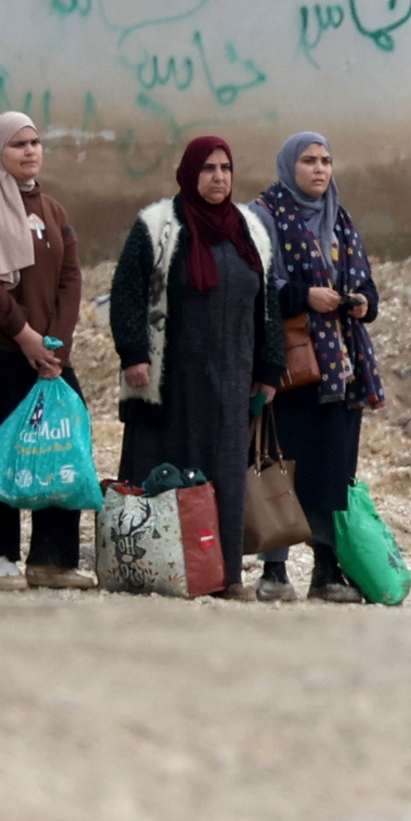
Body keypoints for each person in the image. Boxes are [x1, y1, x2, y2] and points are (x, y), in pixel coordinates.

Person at [109, 136, 284, 598]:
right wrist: (134, 354)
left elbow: (266, 304)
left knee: (223, 474)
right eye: (208, 168)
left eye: (225, 168)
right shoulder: (158, 226)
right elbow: (127, 292)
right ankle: (158, 569)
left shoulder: (250, 230)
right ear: (189, 173)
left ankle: (223, 576)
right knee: (166, 468)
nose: (219, 177)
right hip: (172, 378)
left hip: (231, 378)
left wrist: (269, 368)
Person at [0, 111, 95, 593]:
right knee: (1, 451)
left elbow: (71, 278)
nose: (30, 151)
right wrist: (26, 336)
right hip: (3, 351)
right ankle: (0, 557)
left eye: (35, 143)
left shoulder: (52, 208)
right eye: (18, 145)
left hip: (50, 355)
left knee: (61, 444)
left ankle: (53, 560)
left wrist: (56, 342)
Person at [248, 132, 385, 603]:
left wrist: (364, 302)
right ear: (290, 165)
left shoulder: (339, 218)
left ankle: (326, 572)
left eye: (326, 161)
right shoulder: (264, 215)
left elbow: (364, 278)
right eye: (309, 161)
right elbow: (259, 284)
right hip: (290, 368)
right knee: (283, 468)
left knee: (330, 472)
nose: (319, 170)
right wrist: (304, 295)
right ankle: (274, 571)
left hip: (338, 369)